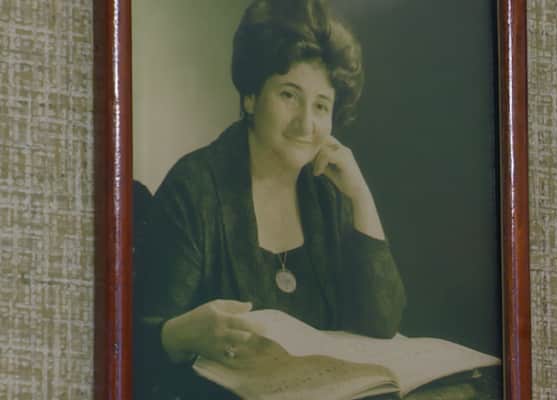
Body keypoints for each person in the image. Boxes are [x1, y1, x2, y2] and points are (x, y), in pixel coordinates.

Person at [134, 0, 406, 398]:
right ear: (250, 97)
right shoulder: (193, 189)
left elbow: (380, 324)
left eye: (321, 105)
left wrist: (362, 198)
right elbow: (134, 349)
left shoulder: (328, 191)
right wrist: (183, 334)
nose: (306, 123)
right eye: (289, 95)